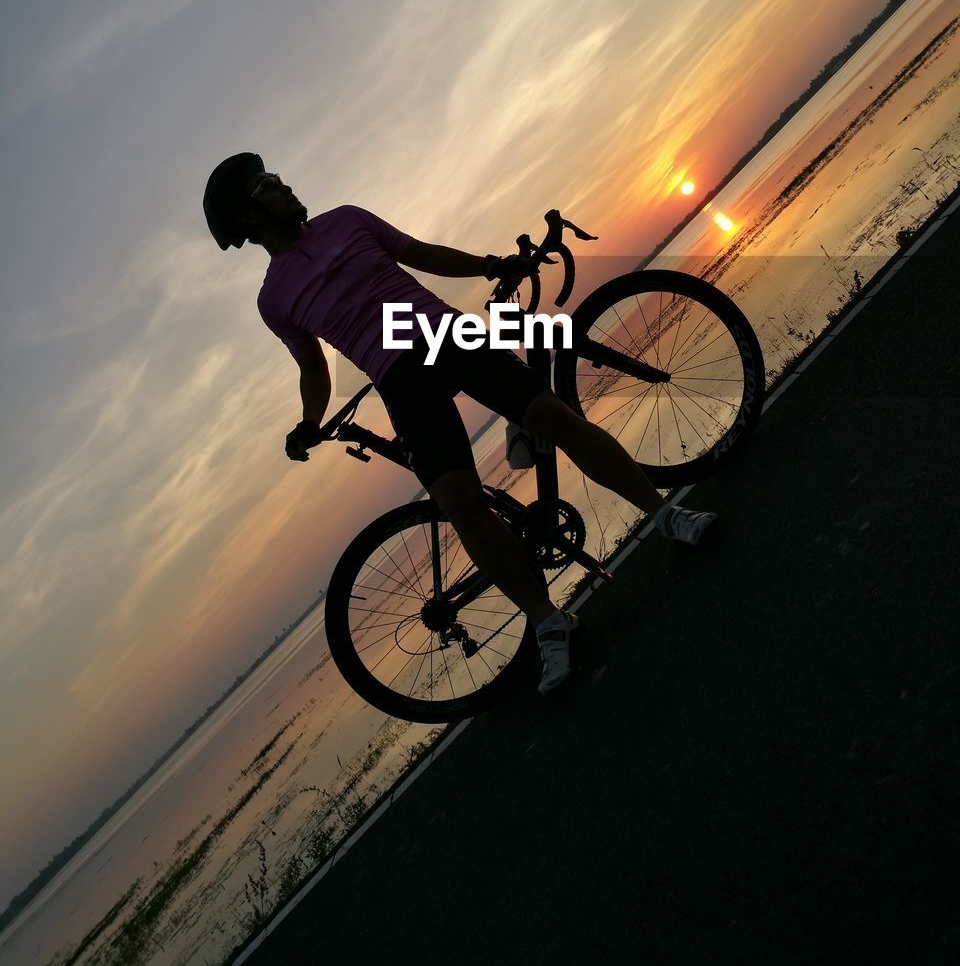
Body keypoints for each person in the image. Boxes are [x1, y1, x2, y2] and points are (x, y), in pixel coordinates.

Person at [203, 153, 717, 695]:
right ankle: (549, 622)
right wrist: (309, 421)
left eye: (275, 175)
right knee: (459, 502)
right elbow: (312, 364)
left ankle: (666, 516)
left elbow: (419, 254)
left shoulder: (347, 219)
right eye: (265, 184)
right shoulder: (273, 299)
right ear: (246, 216)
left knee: (552, 416)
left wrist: (489, 264)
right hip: (393, 373)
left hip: (440, 329)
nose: (282, 183)